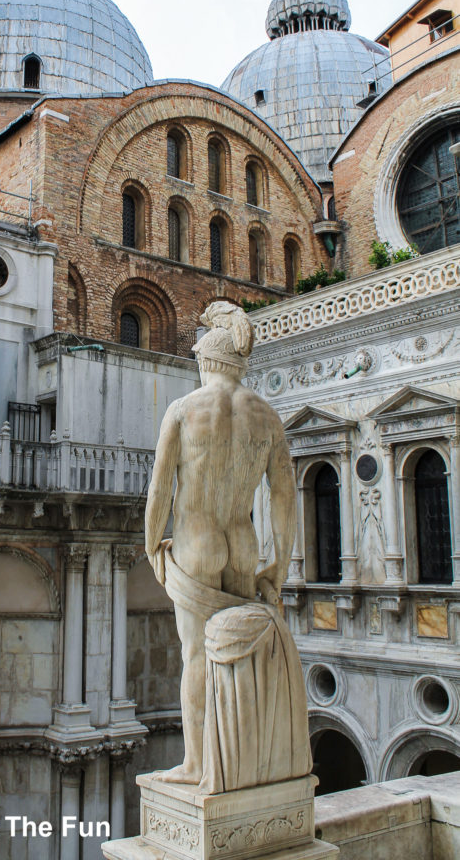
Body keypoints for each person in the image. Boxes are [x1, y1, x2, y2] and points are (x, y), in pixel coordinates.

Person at [144, 301, 309, 790]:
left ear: (206, 362)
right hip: (243, 546)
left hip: (196, 545)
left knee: (197, 657)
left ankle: (197, 764)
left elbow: (160, 489)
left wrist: (153, 543)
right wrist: (279, 561)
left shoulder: (184, 410)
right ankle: (243, 763)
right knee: (239, 655)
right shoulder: (268, 417)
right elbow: (283, 495)